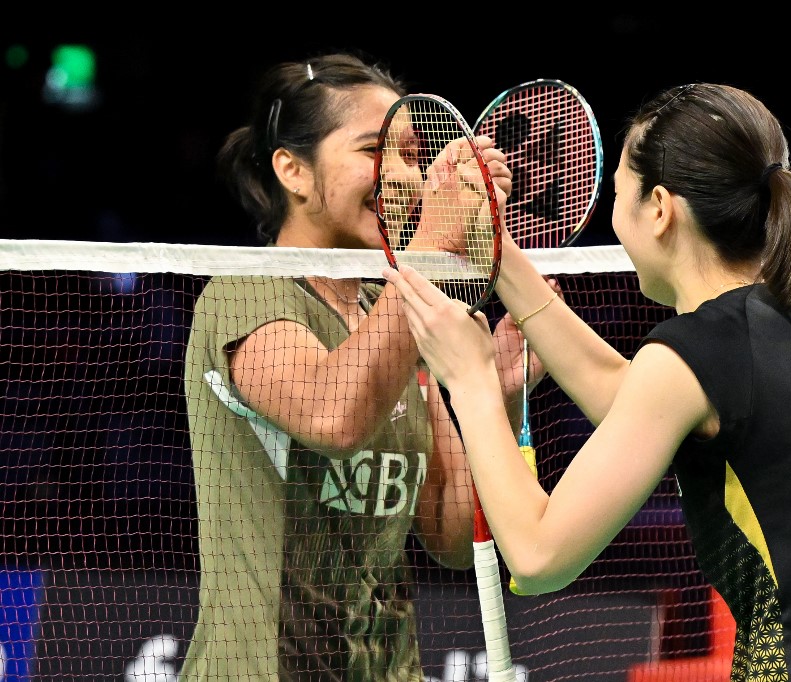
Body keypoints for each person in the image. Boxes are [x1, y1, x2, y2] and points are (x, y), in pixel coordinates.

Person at [384, 82, 791, 680]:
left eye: (618, 195)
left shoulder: (697, 353)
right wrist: (493, 246)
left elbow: (540, 556)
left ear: (658, 207)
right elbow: (630, 400)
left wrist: (470, 381)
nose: (614, 219)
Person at [181, 51, 538, 681]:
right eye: (375, 151)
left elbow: (453, 535)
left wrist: (500, 396)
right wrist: (432, 243)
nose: (403, 176)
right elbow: (333, 413)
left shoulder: (395, 310)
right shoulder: (245, 291)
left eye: (410, 153)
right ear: (293, 170)